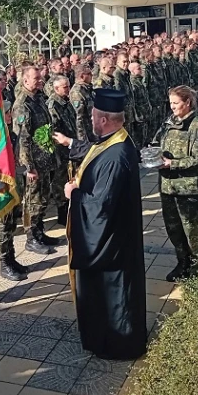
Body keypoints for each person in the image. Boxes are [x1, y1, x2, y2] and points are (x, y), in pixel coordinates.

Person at [54, 88, 146, 360]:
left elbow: (100, 206)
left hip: (111, 248)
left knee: (114, 298)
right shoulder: (112, 141)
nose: (91, 119)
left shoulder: (116, 155)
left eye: (94, 115)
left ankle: (116, 344)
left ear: (104, 119)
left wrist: (74, 194)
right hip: (116, 239)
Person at [154, 86, 198, 281]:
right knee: (174, 228)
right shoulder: (169, 123)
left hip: (188, 188)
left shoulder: (197, 126)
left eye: (176, 103)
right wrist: (153, 156)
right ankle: (183, 264)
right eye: (171, 103)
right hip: (168, 187)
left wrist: (173, 164)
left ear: (187, 102)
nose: (173, 107)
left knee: (192, 229)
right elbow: (156, 142)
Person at [14, 67, 62, 255]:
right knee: (32, 201)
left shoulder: (39, 98)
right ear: (25, 81)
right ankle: (31, 237)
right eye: (36, 79)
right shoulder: (22, 104)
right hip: (34, 162)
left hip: (45, 159)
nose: (40, 81)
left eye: (40, 78)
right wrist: (28, 167)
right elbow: (22, 139)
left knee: (42, 198)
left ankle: (40, 232)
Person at [0, 100, 29, 281]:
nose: (10, 116)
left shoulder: (12, 134)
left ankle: (11, 256)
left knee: (11, 225)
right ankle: (4, 262)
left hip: (15, 184)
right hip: (1, 188)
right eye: (7, 113)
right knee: (3, 225)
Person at [47, 75, 76, 228]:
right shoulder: (53, 105)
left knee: (70, 178)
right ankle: (62, 214)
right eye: (65, 87)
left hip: (70, 147)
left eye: (68, 86)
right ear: (56, 88)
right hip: (60, 150)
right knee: (60, 181)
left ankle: (70, 210)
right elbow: (54, 130)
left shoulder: (66, 101)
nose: (68, 89)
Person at [129, 61, 151, 147]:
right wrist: (138, 114)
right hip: (139, 115)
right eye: (138, 69)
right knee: (138, 139)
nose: (141, 70)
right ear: (132, 71)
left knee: (144, 137)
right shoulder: (133, 84)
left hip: (144, 113)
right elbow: (134, 102)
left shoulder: (139, 81)